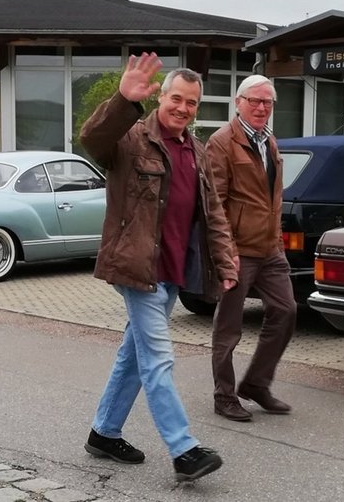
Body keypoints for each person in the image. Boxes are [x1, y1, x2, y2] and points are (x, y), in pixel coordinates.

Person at [78, 53, 238, 483]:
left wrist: (226, 261)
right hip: (138, 268)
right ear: (161, 97)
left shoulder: (197, 152)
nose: (183, 108)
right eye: (176, 99)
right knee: (158, 358)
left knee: (134, 355)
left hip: (172, 271)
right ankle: (184, 450)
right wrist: (122, 100)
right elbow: (92, 139)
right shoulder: (131, 139)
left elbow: (214, 214)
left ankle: (104, 432)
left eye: (191, 102)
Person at [205, 74, 297, 422]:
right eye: (254, 101)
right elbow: (215, 203)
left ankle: (256, 384)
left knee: (286, 311)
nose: (261, 107)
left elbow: (272, 196)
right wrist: (225, 251)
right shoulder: (222, 142)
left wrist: (277, 240)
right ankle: (224, 396)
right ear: (238, 102)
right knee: (229, 327)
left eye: (267, 102)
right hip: (237, 250)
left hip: (270, 249)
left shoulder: (269, 140)